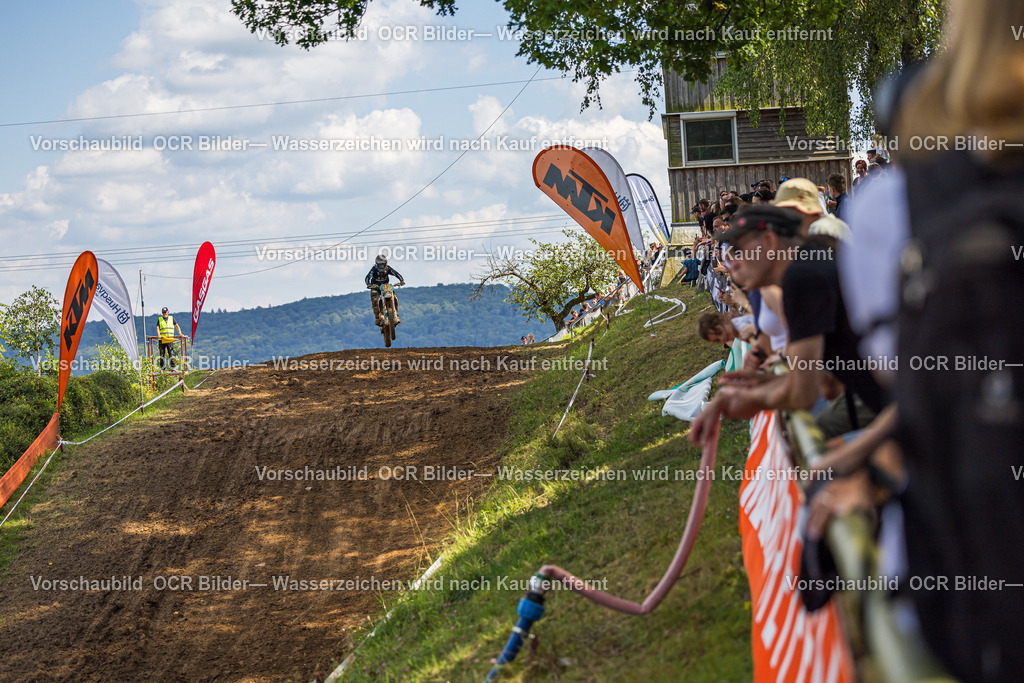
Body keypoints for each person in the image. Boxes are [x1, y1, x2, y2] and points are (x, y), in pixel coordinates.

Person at [364, 255, 405, 326]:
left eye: (383, 265)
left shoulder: (388, 269)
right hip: (375, 287)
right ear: (376, 264)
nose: (381, 267)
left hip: (386, 287)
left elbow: (397, 274)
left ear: (385, 264)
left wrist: (401, 281)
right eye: (379, 265)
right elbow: (367, 277)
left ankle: (397, 315)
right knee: (375, 300)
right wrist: (369, 284)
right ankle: (377, 318)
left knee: (395, 297)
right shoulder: (373, 269)